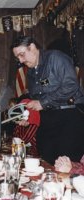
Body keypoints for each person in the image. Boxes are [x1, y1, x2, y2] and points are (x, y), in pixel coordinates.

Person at [12, 35, 84, 164]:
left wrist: (42, 103)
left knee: (66, 164)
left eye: (22, 55)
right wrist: (28, 117)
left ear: (32, 47)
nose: (21, 60)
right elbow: (36, 101)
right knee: (47, 160)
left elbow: (71, 86)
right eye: (18, 57)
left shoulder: (55, 58)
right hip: (47, 120)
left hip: (69, 118)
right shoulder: (30, 72)